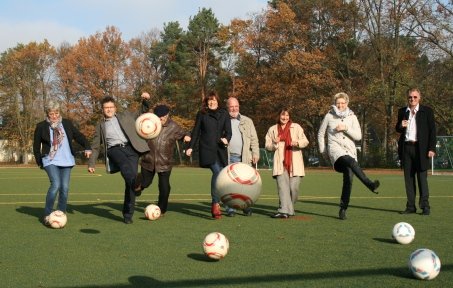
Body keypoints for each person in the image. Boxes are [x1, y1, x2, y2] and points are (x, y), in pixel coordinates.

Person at [88, 94, 150, 224]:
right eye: (106, 108)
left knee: (130, 181)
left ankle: (128, 214)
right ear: (102, 109)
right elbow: (95, 146)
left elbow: (141, 112)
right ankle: (137, 185)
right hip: (114, 150)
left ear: (115, 108)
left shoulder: (125, 116)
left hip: (131, 149)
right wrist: (91, 163)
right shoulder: (100, 125)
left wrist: (145, 100)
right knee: (128, 171)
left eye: (111, 107)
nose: (109, 109)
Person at [318, 92, 380, 220]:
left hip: (350, 151)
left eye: (342, 103)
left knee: (349, 179)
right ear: (335, 103)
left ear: (347, 103)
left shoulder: (352, 117)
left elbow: (358, 136)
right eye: (338, 103)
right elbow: (320, 133)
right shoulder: (329, 116)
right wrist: (323, 151)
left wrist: (345, 128)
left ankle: (343, 209)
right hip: (336, 150)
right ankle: (369, 184)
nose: (340, 105)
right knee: (349, 161)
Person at [33, 100, 92, 226]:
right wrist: (40, 161)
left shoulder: (66, 123)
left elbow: (79, 136)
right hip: (50, 160)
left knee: (64, 188)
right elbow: (36, 146)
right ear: (47, 114)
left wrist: (87, 146)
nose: (54, 116)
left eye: (56, 113)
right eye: (51, 114)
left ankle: (60, 212)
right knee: (56, 185)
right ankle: (47, 214)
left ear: (59, 113)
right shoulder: (41, 126)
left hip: (66, 159)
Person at [134, 104, 191, 215]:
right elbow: (138, 130)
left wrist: (186, 136)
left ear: (167, 115)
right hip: (148, 161)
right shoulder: (149, 123)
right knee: (146, 183)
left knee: (164, 187)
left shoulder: (173, 127)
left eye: (163, 116)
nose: (161, 119)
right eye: (158, 116)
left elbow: (185, 132)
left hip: (165, 163)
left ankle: (161, 209)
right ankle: (139, 185)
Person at [185, 91, 232, 219]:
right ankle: (215, 204)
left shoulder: (224, 114)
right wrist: (190, 147)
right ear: (206, 102)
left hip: (220, 150)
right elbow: (196, 132)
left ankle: (223, 202)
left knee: (221, 175)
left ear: (218, 101)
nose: (212, 102)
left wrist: (226, 139)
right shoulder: (202, 114)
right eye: (209, 100)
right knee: (217, 172)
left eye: (214, 100)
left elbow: (229, 131)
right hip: (207, 149)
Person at [395, 88, 436, 215]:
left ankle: (425, 206)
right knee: (409, 178)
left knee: (422, 178)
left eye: (415, 97)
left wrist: (431, 148)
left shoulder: (427, 111)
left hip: (421, 149)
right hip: (406, 148)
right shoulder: (402, 111)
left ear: (419, 98)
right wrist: (401, 125)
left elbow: (432, 131)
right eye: (410, 97)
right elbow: (398, 129)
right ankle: (411, 206)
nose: (412, 99)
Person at [265, 108, 309, 219]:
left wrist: (297, 143)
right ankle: (283, 211)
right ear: (278, 116)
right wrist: (274, 143)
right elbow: (267, 146)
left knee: (294, 189)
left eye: (287, 115)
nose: (285, 118)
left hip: (295, 163)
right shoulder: (273, 129)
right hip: (280, 163)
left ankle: (289, 209)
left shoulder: (296, 127)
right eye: (282, 115)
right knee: (282, 188)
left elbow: (305, 141)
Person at [225, 97, 260, 217]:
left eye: (236, 106)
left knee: (246, 185)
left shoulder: (247, 121)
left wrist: (255, 153)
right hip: (230, 157)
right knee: (230, 185)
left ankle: (246, 207)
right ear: (227, 107)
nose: (234, 109)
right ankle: (230, 208)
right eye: (231, 106)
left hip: (245, 158)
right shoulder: (223, 120)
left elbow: (254, 139)